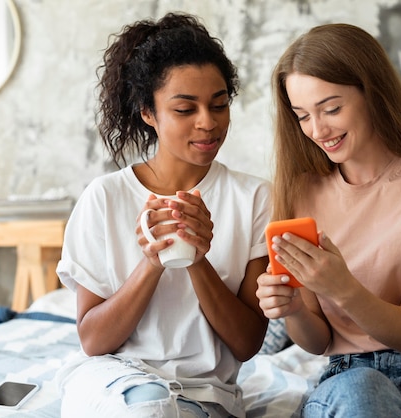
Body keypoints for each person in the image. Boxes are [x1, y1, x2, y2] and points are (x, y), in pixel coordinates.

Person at [256, 23, 401, 417]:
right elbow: (317, 341)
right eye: (302, 116)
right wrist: (295, 307)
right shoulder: (300, 193)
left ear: (374, 93)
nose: (318, 130)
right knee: (363, 391)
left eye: (332, 108)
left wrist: (343, 287)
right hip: (347, 377)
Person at [55, 12, 270, 418]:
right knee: (148, 408)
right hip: (115, 382)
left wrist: (196, 259)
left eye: (219, 105)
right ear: (148, 113)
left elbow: (246, 344)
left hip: (206, 398)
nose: (208, 123)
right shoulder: (106, 197)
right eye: (185, 109)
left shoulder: (255, 197)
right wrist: (152, 262)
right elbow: (93, 340)